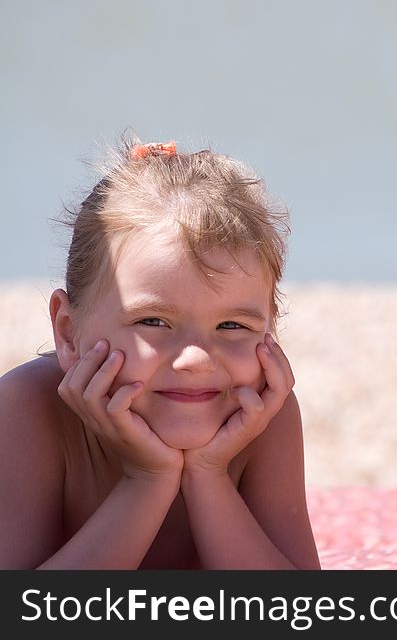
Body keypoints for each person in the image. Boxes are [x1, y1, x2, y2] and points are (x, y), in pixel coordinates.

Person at [0, 138, 320, 569]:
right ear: (68, 331)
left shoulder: (265, 414)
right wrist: (148, 480)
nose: (196, 360)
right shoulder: (28, 408)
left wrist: (209, 476)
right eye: (153, 322)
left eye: (232, 326)